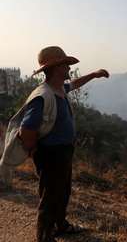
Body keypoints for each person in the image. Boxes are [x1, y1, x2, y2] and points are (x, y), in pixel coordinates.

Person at [19, 46, 109, 242]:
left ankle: (60, 225)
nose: (69, 67)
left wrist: (93, 75)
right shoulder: (42, 96)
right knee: (50, 198)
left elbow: (75, 83)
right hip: (50, 155)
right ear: (57, 67)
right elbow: (25, 130)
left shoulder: (59, 88)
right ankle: (43, 237)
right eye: (66, 64)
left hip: (64, 153)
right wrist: (34, 149)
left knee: (62, 192)